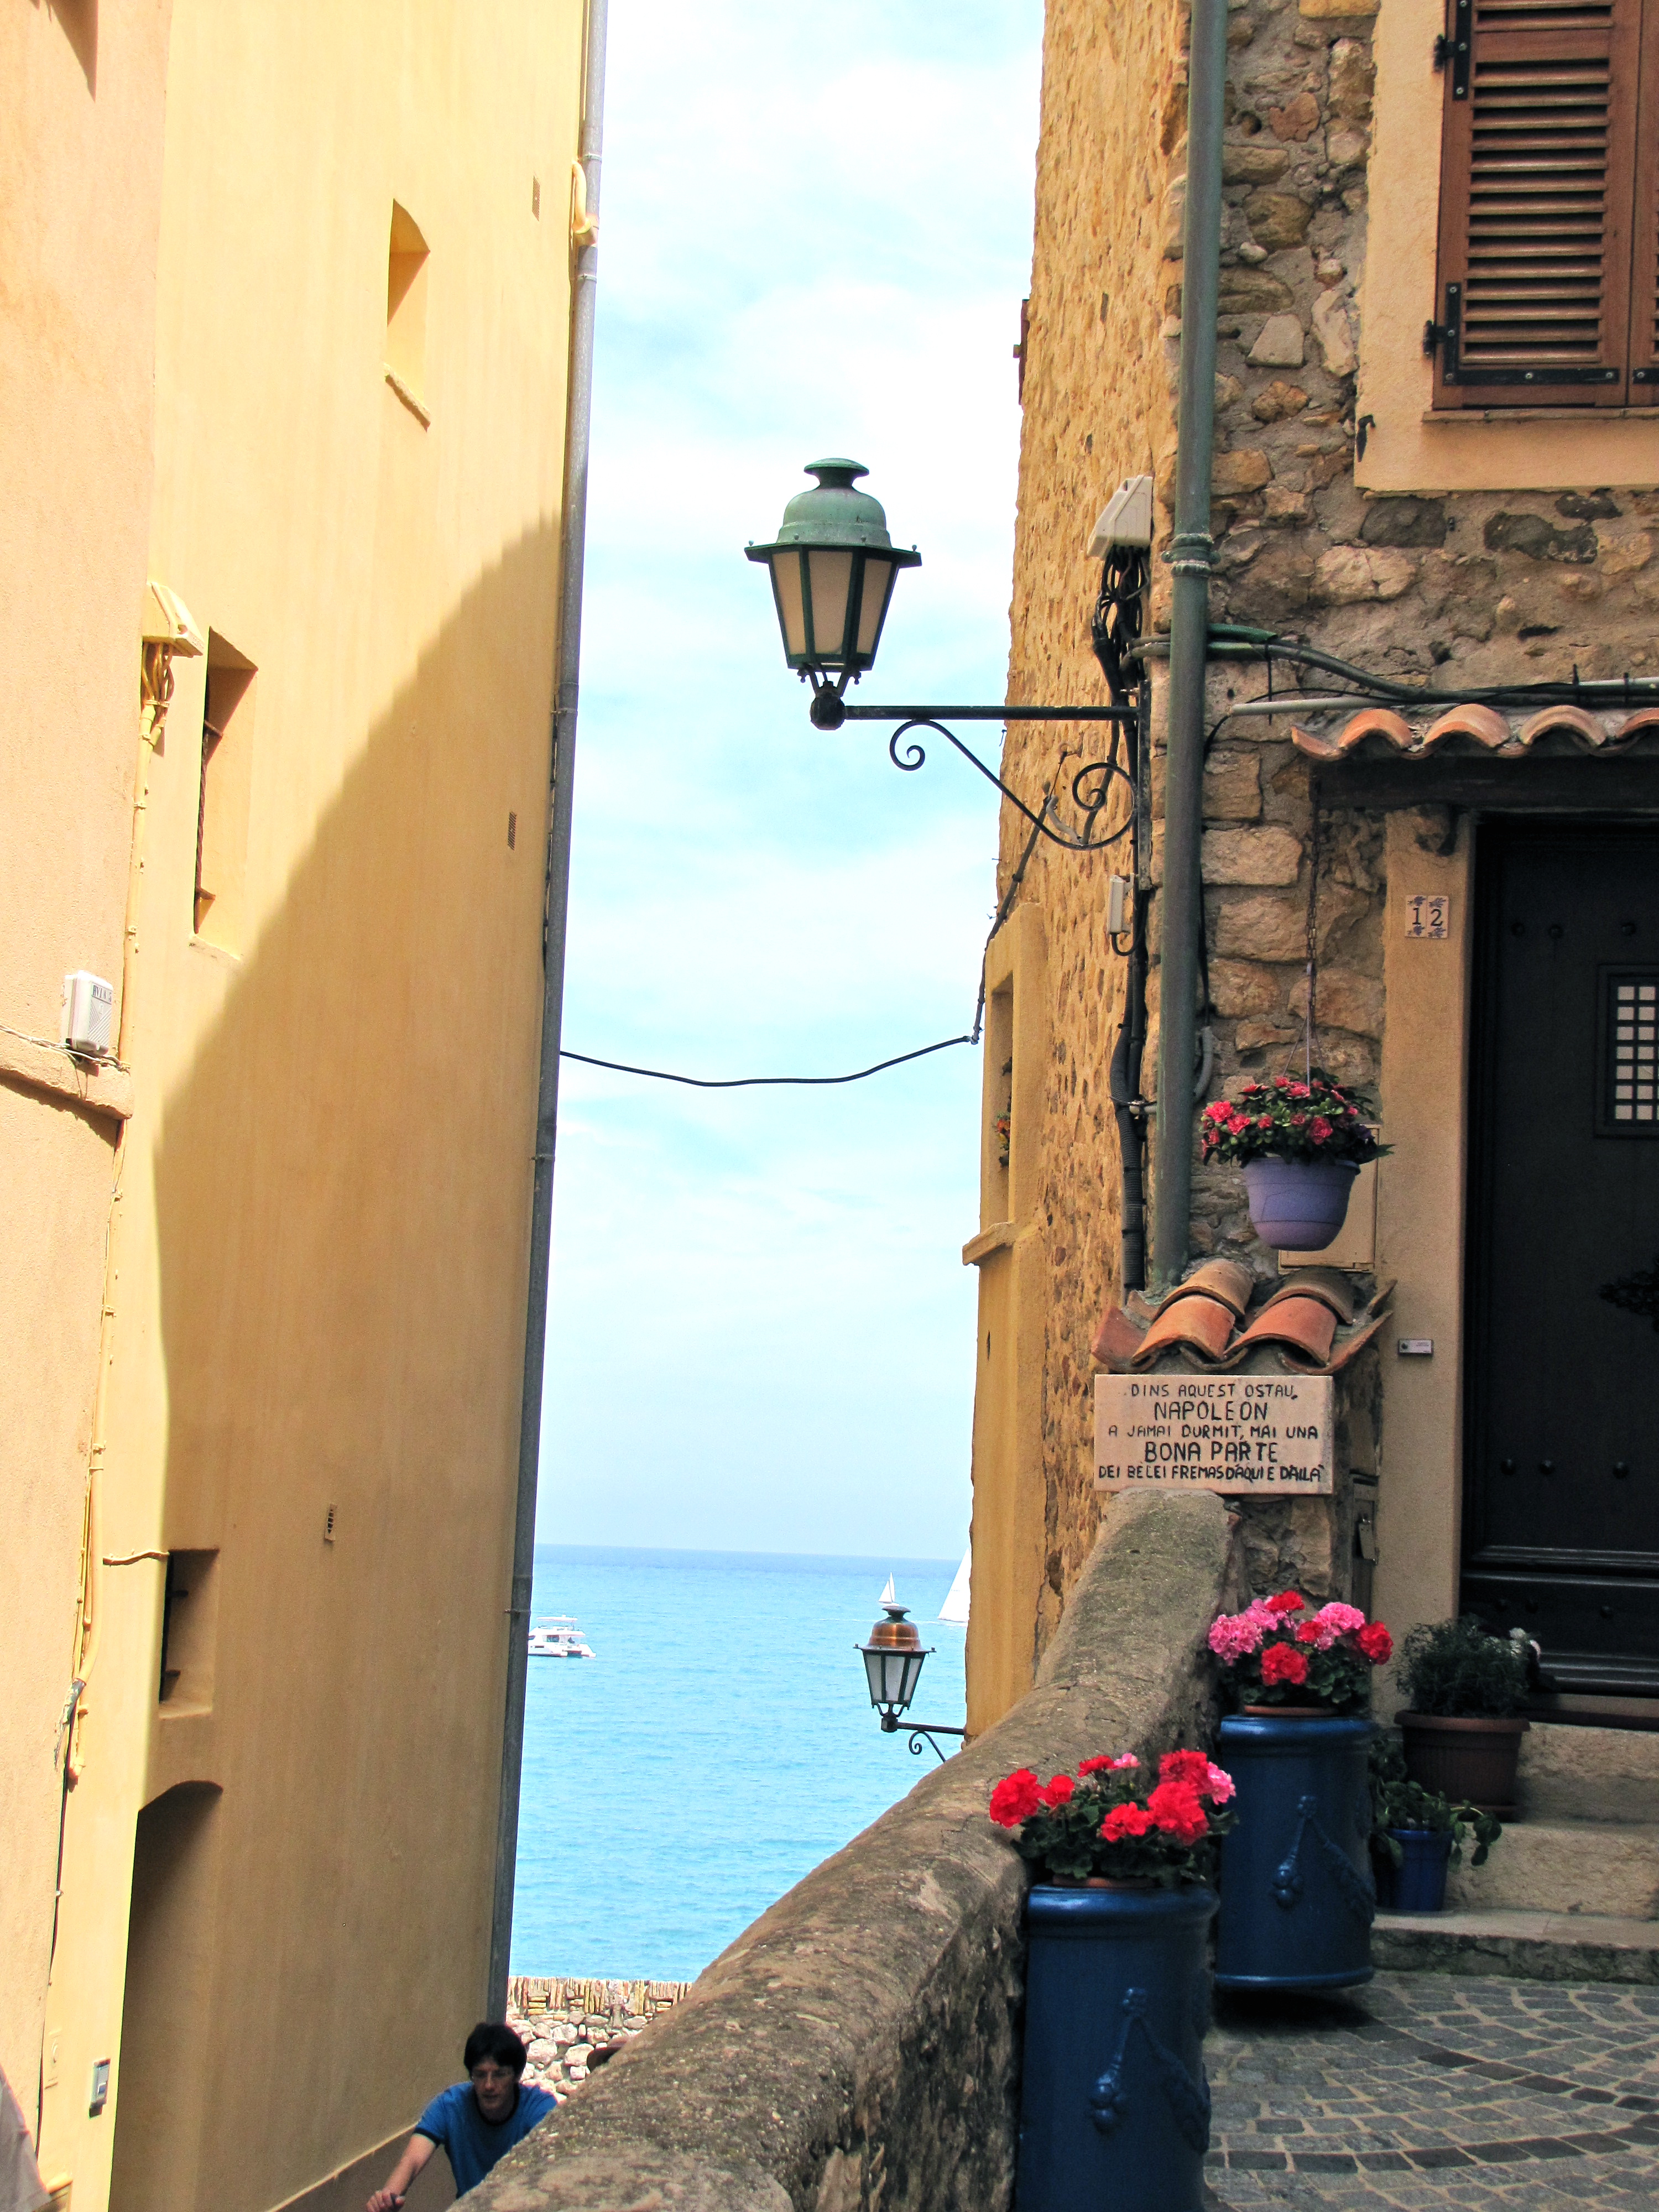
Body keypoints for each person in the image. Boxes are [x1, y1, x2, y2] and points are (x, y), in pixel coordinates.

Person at [367, 2023, 553, 2209]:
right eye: (480, 2075)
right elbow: (412, 2160)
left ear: (516, 2076)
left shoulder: (538, 2108)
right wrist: (387, 2200)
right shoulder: (451, 2106)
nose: (489, 2085)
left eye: (499, 2075)